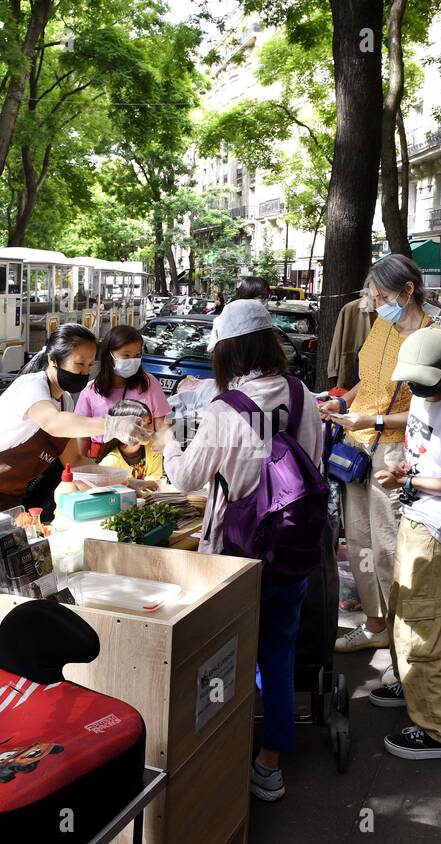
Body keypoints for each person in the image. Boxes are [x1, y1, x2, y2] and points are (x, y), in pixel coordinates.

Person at [158, 299, 323, 801]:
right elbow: (311, 466)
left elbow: (185, 477)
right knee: (278, 655)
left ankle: (219, 754)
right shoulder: (303, 397)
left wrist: (170, 438)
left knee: (220, 655)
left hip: (235, 556)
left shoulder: (226, 410)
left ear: (227, 354)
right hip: (291, 552)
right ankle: (269, 763)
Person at [370, 327, 441, 759]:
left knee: (419, 632)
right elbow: (419, 439)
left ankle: (438, 731)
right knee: (402, 612)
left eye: (420, 380)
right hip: (416, 520)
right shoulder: (424, 395)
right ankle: (408, 686)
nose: (414, 388)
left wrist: (409, 479)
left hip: (435, 531)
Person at [320, 255, 434, 655]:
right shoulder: (382, 325)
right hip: (357, 444)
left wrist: (377, 419)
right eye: (373, 296)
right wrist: (342, 402)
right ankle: (374, 624)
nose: (377, 303)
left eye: (382, 295)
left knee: (390, 546)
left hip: (394, 450)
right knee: (362, 543)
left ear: (408, 290)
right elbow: (365, 380)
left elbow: (428, 410)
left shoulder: (431, 335)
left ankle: (404, 645)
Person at [0, 324, 150, 511]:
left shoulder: (66, 402)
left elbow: (77, 462)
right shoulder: (31, 386)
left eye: (90, 365)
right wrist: (113, 425)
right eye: (79, 364)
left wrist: (125, 482)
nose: (85, 372)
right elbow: (53, 423)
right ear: (54, 360)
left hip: (4, 501)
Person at [73, 324, 170, 461]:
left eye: (137, 355)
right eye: (126, 355)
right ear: (109, 355)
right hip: (101, 458)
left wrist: (168, 452)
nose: (133, 360)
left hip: (142, 459)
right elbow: (81, 433)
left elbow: (161, 426)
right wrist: (80, 464)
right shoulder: (91, 390)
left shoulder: (149, 383)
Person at [96, 398, 165, 481]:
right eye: (140, 424)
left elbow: (156, 476)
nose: (146, 429)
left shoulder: (154, 448)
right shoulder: (110, 462)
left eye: (149, 423)